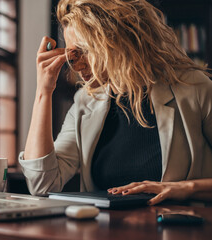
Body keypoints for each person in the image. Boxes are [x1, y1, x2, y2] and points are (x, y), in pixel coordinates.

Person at [19, 0, 212, 205]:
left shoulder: (194, 88)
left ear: (118, 40)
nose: (76, 65)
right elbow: (42, 185)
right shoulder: (85, 102)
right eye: (72, 55)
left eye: (84, 50)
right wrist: (43, 91)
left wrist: (185, 188)